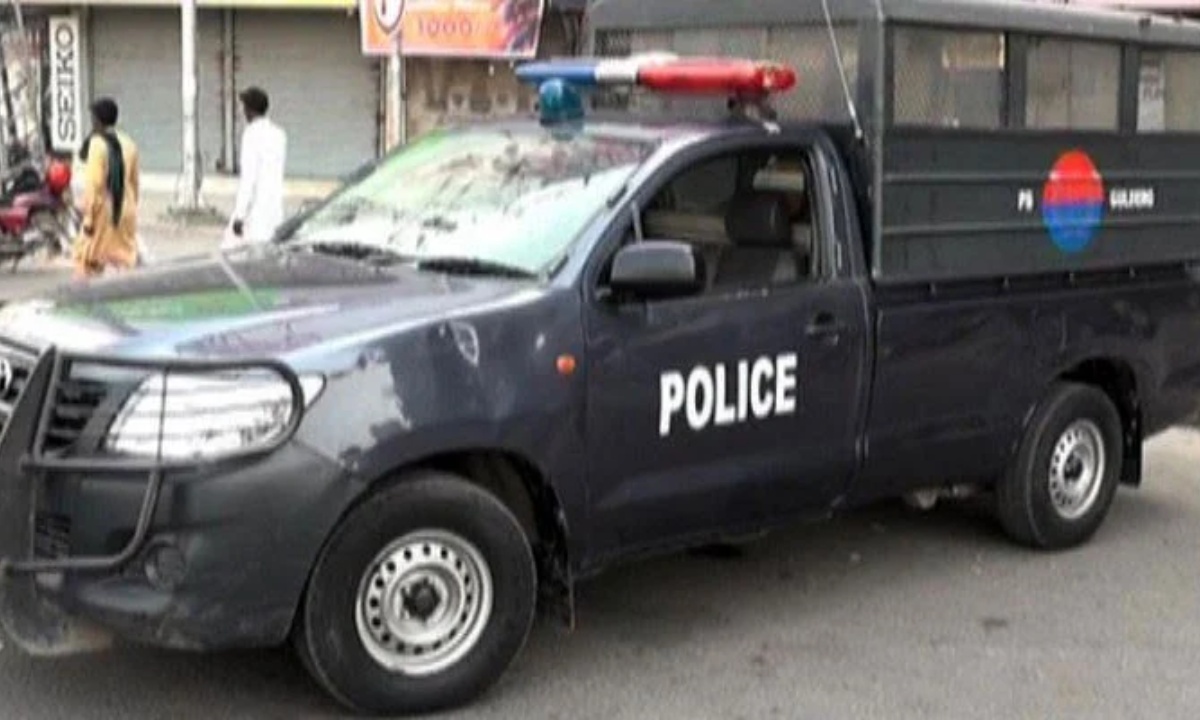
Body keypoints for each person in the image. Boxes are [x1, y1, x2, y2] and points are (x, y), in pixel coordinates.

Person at [73, 98, 140, 279]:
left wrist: (88, 219)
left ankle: (84, 294)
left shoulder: (97, 145)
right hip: (126, 210)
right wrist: (132, 209)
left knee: (85, 259)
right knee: (123, 262)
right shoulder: (129, 143)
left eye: (93, 118)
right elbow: (134, 183)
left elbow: (94, 186)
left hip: (104, 212)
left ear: (97, 120)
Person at [225, 86, 287, 249]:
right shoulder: (279, 134)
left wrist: (240, 215)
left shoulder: (251, 135)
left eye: (244, 107)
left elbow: (249, 178)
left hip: (256, 213)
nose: (242, 111)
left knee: (237, 252)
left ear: (250, 109)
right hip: (275, 210)